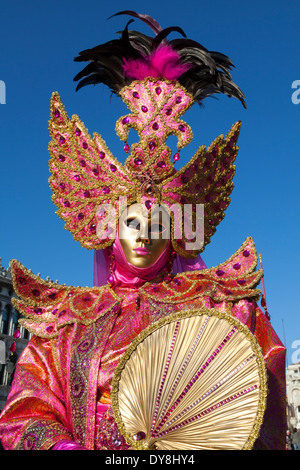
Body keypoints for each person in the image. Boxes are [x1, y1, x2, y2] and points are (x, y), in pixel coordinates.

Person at [0, 11, 286, 450]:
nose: (143, 235)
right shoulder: (69, 324)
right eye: (131, 222)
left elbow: (258, 379)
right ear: (108, 231)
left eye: (158, 225)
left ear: (177, 235)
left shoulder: (218, 308)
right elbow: (26, 411)